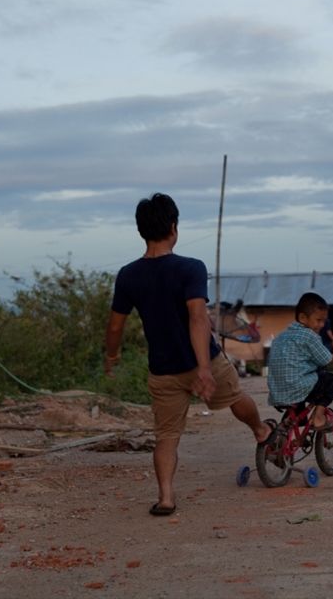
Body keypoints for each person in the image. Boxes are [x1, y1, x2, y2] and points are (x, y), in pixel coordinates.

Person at [104, 193, 274, 517]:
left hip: (162, 370)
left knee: (166, 436)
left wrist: (112, 358)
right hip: (202, 361)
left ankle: (166, 497)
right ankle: (261, 431)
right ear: (173, 228)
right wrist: (204, 368)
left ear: (141, 230)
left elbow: (115, 327)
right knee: (235, 397)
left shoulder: (128, 275)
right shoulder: (191, 268)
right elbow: (198, 317)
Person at [267, 292, 333, 430]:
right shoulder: (309, 335)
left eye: (324, 321)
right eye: (318, 320)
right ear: (302, 317)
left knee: (301, 379)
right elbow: (326, 359)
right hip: (297, 387)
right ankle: (318, 417)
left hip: (277, 390)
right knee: (328, 381)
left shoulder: (281, 335)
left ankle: (293, 419)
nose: (322, 324)